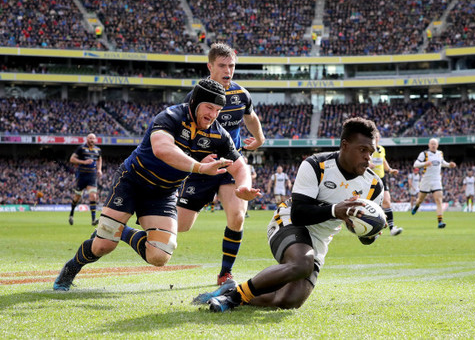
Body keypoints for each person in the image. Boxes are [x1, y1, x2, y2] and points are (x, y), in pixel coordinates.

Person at [53, 79, 261, 291]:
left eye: (218, 109)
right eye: (209, 107)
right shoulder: (170, 116)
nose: (213, 114)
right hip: (132, 181)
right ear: (196, 102)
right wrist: (199, 167)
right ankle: (71, 268)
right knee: (103, 245)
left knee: (160, 254)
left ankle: (122, 231)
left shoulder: (218, 133)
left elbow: (240, 166)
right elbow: (162, 149)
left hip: (163, 192)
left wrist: (243, 186)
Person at [193, 117, 384, 312]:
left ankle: (232, 290)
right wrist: (336, 210)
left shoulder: (374, 185)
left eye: (371, 151)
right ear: (345, 145)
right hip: (289, 221)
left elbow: (366, 239)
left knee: (288, 300)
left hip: (319, 240)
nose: (368, 157)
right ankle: (232, 299)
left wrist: (370, 232)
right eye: (363, 150)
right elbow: (299, 213)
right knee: (302, 263)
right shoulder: (316, 164)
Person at [177, 43, 266, 286]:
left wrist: (259, 138)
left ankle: (225, 273)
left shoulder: (241, 94)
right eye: (222, 65)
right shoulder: (194, 98)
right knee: (181, 227)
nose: (228, 70)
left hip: (230, 167)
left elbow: (250, 116)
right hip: (201, 168)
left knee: (237, 217)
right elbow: (180, 134)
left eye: (232, 65)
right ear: (210, 66)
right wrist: (195, 160)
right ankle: (134, 225)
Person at [411, 138, 456, 228]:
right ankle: (416, 206)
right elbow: (415, 164)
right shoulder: (424, 154)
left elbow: (441, 163)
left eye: (435, 144)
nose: (433, 145)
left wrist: (449, 165)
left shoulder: (440, 153)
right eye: (432, 144)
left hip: (436, 180)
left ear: (437, 145)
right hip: (426, 180)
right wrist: (424, 164)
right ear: (429, 145)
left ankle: (440, 221)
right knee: (420, 199)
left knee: (439, 200)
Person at [369, 132, 403, 236]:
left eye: (377, 137)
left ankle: (392, 228)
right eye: (374, 137)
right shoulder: (368, 149)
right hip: (370, 179)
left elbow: (383, 160)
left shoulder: (381, 149)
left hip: (382, 178)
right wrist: (368, 164)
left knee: (387, 202)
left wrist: (390, 170)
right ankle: (371, 230)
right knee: (373, 205)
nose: (376, 138)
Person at [68, 133, 102, 226]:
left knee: (93, 196)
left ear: (95, 140)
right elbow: (72, 159)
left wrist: (99, 169)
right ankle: (71, 214)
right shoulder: (81, 148)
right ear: (87, 139)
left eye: (93, 138)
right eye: (90, 138)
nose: (92, 140)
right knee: (77, 197)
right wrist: (83, 162)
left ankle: (93, 219)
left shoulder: (97, 150)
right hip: (82, 176)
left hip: (92, 176)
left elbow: (99, 159)